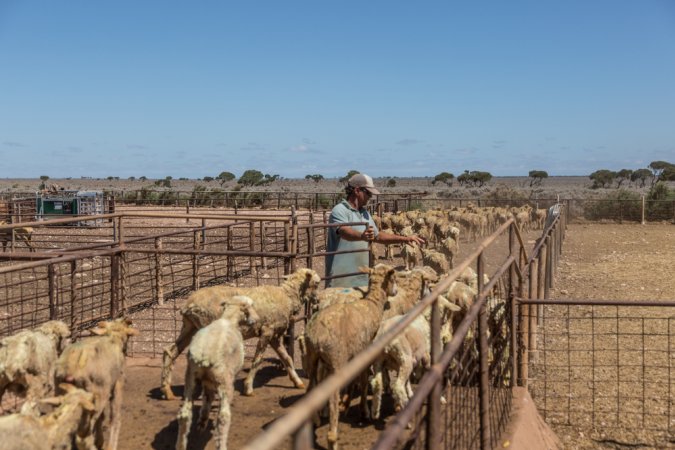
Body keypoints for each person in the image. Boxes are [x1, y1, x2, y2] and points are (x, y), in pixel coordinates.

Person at [325, 173, 426, 288]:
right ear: (357, 191)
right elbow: (343, 231)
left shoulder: (365, 213)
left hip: (360, 276)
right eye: (368, 193)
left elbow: (378, 236)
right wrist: (361, 236)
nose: (370, 197)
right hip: (340, 277)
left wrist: (405, 239)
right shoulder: (339, 210)